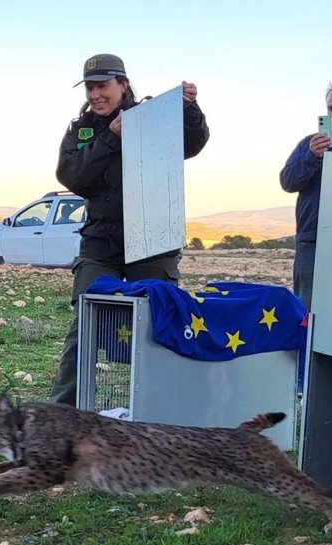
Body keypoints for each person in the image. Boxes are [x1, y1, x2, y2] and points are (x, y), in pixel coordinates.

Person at [48, 53, 210, 406]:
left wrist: (188, 109)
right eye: (90, 88)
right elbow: (72, 176)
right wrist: (111, 138)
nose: (95, 95)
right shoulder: (82, 130)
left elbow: (193, 144)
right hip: (99, 244)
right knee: (84, 330)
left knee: (160, 324)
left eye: (103, 86)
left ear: (123, 84)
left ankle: (161, 411)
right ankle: (60, 417)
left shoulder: (152, 117)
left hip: (152, 243)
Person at [279, 80, 332, 310]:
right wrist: (312, 157)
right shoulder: (309, 144)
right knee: (308, 308)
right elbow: (288, 181)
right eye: (331, 108)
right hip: (312, 240)